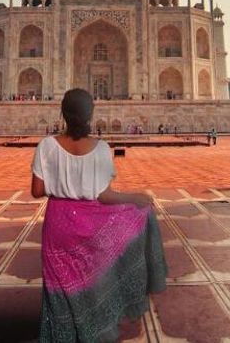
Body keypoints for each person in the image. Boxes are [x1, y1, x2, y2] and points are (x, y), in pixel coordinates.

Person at [31, 88, 166, 341]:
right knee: (89, 280)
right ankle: (90, 331)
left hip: (57, 223)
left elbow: (37, 191)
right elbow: (105, 196)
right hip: (89, 222)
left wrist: (60, 185)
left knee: (58, 287)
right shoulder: (102, 148)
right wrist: (136, 199)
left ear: (63, 113)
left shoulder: (46, 145)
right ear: (90, 114)